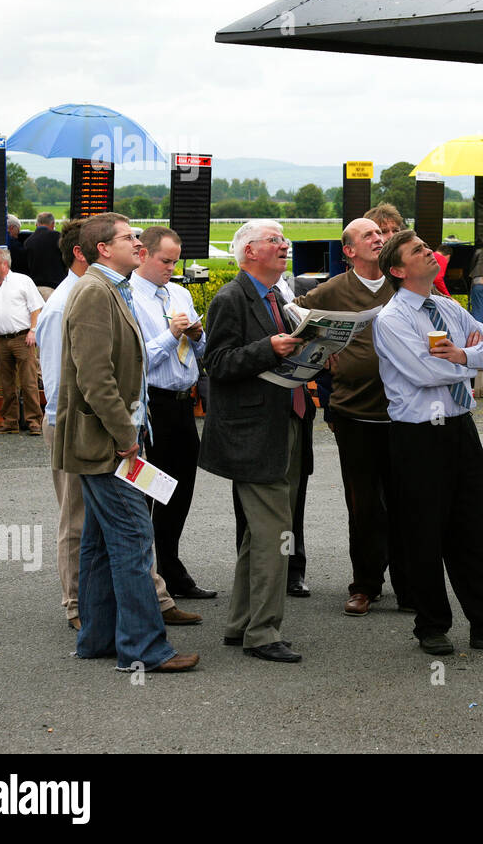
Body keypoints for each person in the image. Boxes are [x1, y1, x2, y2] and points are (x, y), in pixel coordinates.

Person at [374, 230, 483, 656]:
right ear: (398, 270)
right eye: (418, 251)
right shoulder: (392, 319)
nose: (430, 252)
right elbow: (424, 373)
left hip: (461, 427)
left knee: (474, 530)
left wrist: (462, 356)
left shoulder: (448, 306)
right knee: (424, 533)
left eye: (427, 247)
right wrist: (465, 364)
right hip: (418, 437)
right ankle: (431, 626)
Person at [53, 212, 198, 673]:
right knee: (134, 540)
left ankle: (96, 639)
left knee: (97, 543)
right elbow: (96, 378)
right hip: (110, 443)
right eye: (128, 238)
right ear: (102, 249)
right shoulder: (96, 293)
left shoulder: (110, 289)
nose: (138, 244)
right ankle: (144, 649)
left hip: (113, 439)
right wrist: (126, 436)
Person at [200, 220, 313, 663]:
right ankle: (263, 633)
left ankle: (240, 622)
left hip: (286, 421)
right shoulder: (232, 297)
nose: (284, 246)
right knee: (274, 532)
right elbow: (218, 363)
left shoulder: (279, 296)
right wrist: (271, 347)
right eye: (274, 241)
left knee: (259, 533)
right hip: (253, 432)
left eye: (284, 240)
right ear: (248, 252)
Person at [295, 217, 411, 617]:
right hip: (354, 414)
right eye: (368, 236)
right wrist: (324, 357)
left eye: (381, 234)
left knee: (405, 500)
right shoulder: (331, 290)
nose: (378, 239)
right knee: (363, 505)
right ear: (349, 251)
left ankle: (410, 585)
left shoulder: (404, 283)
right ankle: (365, 585)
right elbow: (295, 319)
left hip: (405, 413)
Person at [130, 227, 215, 600]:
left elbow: (203, 352)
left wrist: (197, 336)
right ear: (143, 254)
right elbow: (136, 360)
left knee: (180, 491)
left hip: (184, 403)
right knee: (151, 490)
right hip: (152, 404)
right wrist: (169, 333)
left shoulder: (178, 293)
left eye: (175, 261)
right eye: (165, 261)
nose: (171, 267)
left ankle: (170, 565)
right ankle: (146, 573)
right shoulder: (128, 297)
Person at [0, 246, 43, 434]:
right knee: (6, 383)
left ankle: (34, 421)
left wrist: (33, 330)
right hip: (1, 341)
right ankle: (11, 421)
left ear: (4, 264)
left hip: (23, 338)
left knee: (29, 381)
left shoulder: (23, 281)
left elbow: (36, 308)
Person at [24, 212, 67, 289]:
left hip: (35, 287)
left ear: (36, 224)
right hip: (56, 286)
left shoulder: (28, 241)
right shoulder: (58, 237)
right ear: (53, 223)